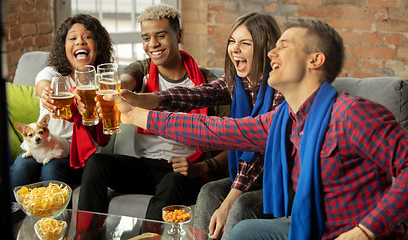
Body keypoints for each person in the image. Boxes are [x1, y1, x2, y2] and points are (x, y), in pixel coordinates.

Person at [100, 17, 408, 239]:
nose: (271, 52)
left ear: (315, 60)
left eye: (282, 46)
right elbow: (213, 130)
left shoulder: (352, 114)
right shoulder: (286, 118)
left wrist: (365, 231)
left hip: (350, 231)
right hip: (313, 227)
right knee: (245, 231)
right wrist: (137, 113)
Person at [120, 12, 283, 239]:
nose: (234, 49)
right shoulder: (238, 82)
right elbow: (194, 95)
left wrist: (227, 204)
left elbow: (256, 152)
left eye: (245, 43)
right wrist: (144, 99)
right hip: (248, 176)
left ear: (267, 48)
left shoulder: (281, 91)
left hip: (278, 179)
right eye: (232, 41)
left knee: (240, 205)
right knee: (209, 192)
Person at [77, 4, 226, 221]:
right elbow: (126, 81)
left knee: (172, 181)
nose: (152, 44)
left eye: (161, 35)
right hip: (146, 166)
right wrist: (115, 89)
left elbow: (234, 142)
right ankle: (85, 235)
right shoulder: (143, 69)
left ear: (179, 35)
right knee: (97, 163)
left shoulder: (208, 83)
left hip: (184, 169)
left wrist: (200, 168)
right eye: (146, 38)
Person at [10, 14, 114, 194]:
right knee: (21, 167)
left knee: (51, 169)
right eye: (72, 38)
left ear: (99, 46)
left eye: (87, 37)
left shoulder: (103, 82)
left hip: (78, 155)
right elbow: (43, 85)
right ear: (63, 47)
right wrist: (47, 94)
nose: (80, 42)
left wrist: (88, 114)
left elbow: (104, 138)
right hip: (42, 145)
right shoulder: (53, 73)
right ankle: (14, 219)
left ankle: (56, 221)